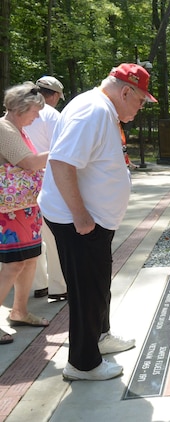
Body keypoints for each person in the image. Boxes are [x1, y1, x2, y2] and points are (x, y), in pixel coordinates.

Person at [38, 63, 156, 379]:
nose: (140, 109)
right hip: (79, 222)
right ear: (126, 91)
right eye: (141, 101)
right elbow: (62, 163)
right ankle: (83, 363)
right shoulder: (93, 111)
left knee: (98, 281)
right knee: (86, 290)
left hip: (92, 221)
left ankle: (99, 337)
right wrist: (81, 216)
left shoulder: (101, 109)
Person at [0, 82, 49, 346]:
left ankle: (19, 311)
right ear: (21, 108)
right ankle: (16, 311)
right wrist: (62, 151)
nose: (38, 116)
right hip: (11, 210)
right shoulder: (4, 128)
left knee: (30, 259)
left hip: (23, 207)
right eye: (35, 110)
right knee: (13, 264)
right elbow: (28, 163)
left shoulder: (15, 129)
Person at [24, 76, 67, 301]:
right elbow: (61, 151)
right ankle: (58, 286)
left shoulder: (18, 113)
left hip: (20, 183)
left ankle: (39, 283)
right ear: (55, 95)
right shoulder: (54, 116)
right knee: (53, 235)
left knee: (32, 235)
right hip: (48, 180)